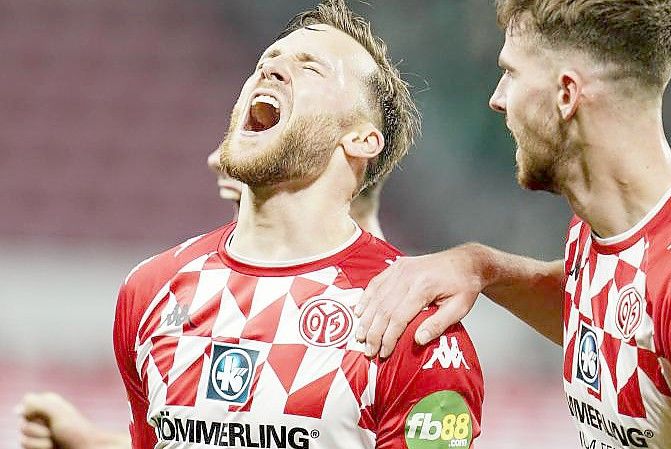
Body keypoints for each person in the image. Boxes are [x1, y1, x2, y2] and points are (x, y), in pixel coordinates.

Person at [354, 1, 671, 448]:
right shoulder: (610, 229)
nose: (497, 97)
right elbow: (623, 327)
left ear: (566, 94)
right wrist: (481, 268)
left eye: (511, 72)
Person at [97, 2, 482, 449]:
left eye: (311, 68)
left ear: (361, 139)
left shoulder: (409, 320)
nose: (271, 70)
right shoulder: (151, 291)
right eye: (265, 62)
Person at [16, 142, 389, 449]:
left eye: (250, 138)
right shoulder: (168, 287)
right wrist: (89, 441)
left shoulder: (401, 323)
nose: (215, 160)